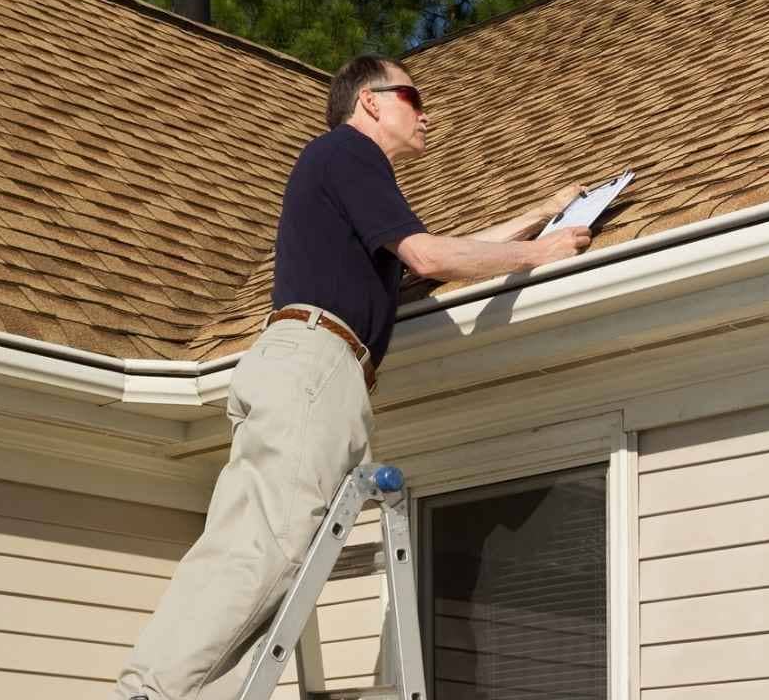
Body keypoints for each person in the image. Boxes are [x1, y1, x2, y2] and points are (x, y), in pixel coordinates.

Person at [116, 54, 592, 700]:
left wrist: (543, 214)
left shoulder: (346, 185)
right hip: (317, 364)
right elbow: (427, 252)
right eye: (412, 97)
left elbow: (433, 259)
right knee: (264, 548)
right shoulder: (347, 152)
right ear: (368, 101)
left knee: (271, 559)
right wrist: (543, 252)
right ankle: (148, 693)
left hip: (308, 366)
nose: (427, 113)